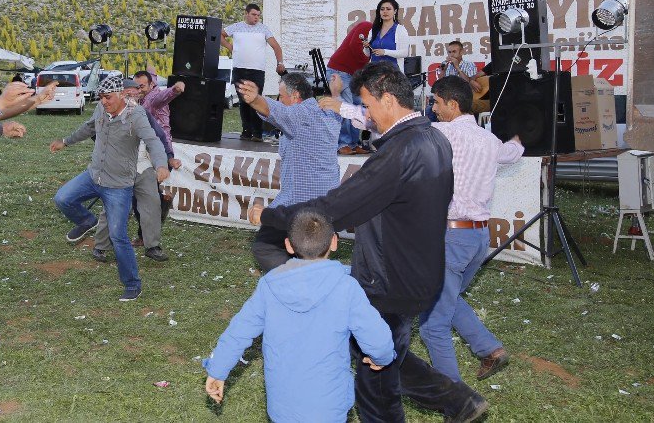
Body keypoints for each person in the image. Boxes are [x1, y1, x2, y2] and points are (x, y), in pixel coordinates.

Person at [252, 63, 488, 423]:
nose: (365, 115)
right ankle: (458, 400)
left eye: (367, 105)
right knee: (376, 346)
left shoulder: (400, 152)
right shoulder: (434, 138)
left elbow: (334, 209)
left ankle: (456, 400)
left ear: (389, 99)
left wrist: (270, 216)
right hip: (418, 271)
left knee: (376, 386)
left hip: (389, 280)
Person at [204, 210, 396, 422]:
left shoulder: (269, 285)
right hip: (329, 407)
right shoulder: (347, 287)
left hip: (282, 406)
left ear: (288, 245)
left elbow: (239, 331)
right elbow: (377, 338)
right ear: (334, 242)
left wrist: (218, 370)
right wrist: (382, 357)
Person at [420, 76, 523, 383]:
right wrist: (519, 139)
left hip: (452, 237)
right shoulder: (489, 141)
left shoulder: (441, 133)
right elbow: (513, 151)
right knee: (448, 298)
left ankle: (456, 399)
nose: (433, 108)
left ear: (452, 104)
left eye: (436, 102)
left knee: (432, 324)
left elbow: (396, 126)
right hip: (479, 238)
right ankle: (489, 349)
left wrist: (345, 107)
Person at [49, 75, 170, 301]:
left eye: (108, 97)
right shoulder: (101, 111)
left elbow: (153, 141)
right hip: (94, 175)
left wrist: (161, 164)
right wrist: (65, 141)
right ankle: (87, 221)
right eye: (101, 98)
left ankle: (133, 284)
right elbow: (88, 128)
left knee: (118, 236)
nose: (104, 102)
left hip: (118, 186)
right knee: (63, 198)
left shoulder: (136, 116)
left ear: (122, 95)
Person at [236, 73, 343, 272]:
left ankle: (294, 280)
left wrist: (255, 99)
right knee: (308, 253)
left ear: (295, 97)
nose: (279, 100)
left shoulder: (298, 116)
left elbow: (273, 110)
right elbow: (337, 104)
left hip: (299, 205)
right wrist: (336, 91)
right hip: (328, 204)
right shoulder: (330, 112)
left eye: (281, 96)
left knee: (264, 246)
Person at [91, 78, 181, 262]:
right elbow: (94, 132)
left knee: (152, 204)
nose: (134, 94)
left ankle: (152, 246)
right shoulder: (107, 113)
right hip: (118, 168)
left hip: (143, 167)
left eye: (136, 91)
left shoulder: (142, 114)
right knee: (112, 207)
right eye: (129, 92)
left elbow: (159, 138)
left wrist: (167, 159)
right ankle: (101, 246)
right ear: (120, 94)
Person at [220, 3, 286, 141]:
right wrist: (231, 47)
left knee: (256, 99)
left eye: (258, 15)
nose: (256, 18)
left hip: (257, 70)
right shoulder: (237, 26)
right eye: (254, 15)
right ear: (246, 13)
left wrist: (280, 63)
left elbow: (276, 47)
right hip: (239, 69)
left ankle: (257, 133)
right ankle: (246, 131)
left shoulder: (263, 29)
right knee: (243, 101)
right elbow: (220, 35)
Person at [326, 16, 373, 155]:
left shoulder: (376, 40)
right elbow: (354, 46)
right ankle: (343, 144)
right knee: (346, 106)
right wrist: (367, 59)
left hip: (353, 75)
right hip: (339, 71)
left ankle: (353, 143)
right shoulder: (367, 26)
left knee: (358, 107)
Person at [435, 39, 488, 115]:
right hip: (449, 99)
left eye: (454, 52)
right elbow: (440, 85)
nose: (451, 55)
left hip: (464, 99)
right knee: (430, 110)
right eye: (449, 52)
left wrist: (457, 67)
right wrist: (443, 71)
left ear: (461, 52)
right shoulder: (445, 65)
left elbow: (469, 84)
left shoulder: (469, 65)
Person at [367, 0, 410, 68]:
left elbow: (405, 53)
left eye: (388, 9)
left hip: (393, 73)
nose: (385, 11)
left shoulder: (400, 29)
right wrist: (366, 47)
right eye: (382, 9)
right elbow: (367, 54)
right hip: (374, 72)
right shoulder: (374, 30)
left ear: (395, 11)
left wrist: (385, 52)